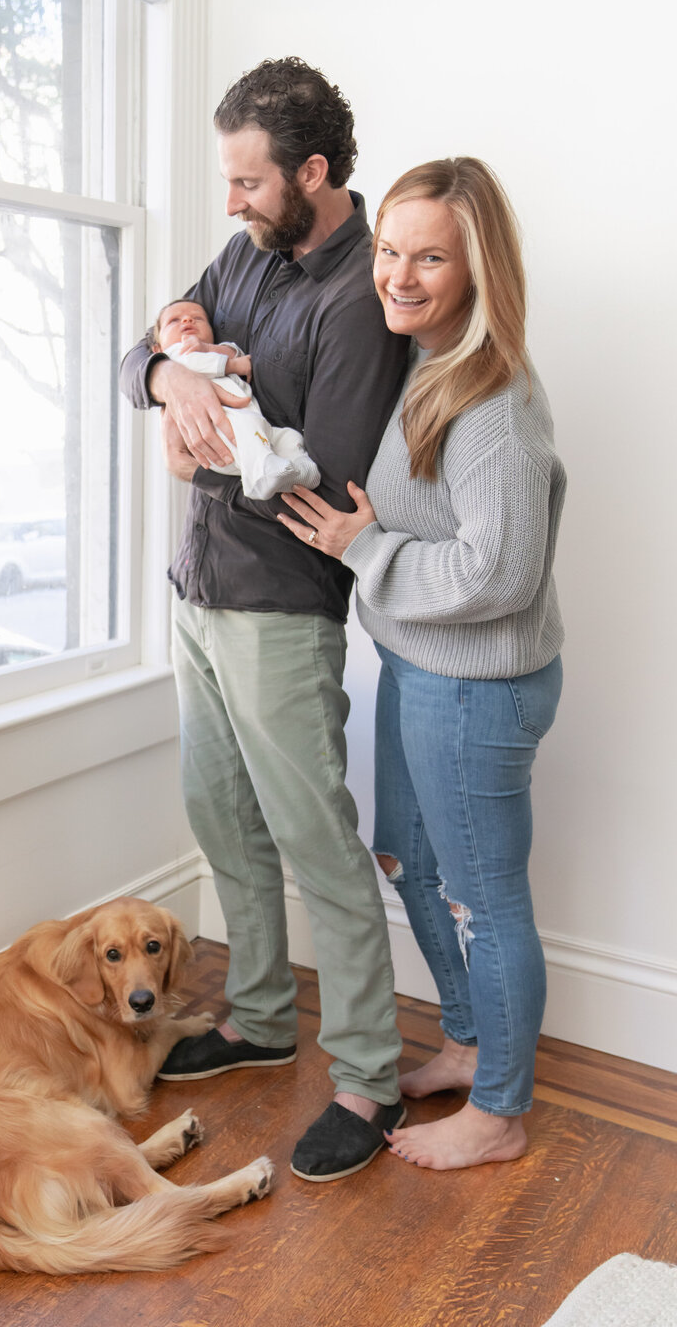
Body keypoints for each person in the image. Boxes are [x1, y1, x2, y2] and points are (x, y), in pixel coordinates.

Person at [120, 58, 410, 1183]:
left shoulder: (360, 298)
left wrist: (212, 398)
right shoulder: (243, 253)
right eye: (229, 181)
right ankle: (257, 1017)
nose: (231, 204)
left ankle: (369, 1078)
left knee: (314, 838)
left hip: (279, 608)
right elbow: (144, 353)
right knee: (218, 811)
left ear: (314, 172)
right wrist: (167, 383)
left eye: (248, 182)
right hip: (194, 590)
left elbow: (319, 481)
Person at [277, 156, 565, 1171]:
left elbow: (505, 571)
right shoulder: (421, 362)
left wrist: (363, 549)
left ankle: (500, 1109)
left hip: (477, 687)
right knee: (408, 856)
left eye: (429, 256)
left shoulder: (490, 403)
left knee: (486, 901)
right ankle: (471, 1041)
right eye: (390, 251)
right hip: (420, 667)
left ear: (477, 267)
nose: (397, 275)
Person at [149, 297, 320, 500]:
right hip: (219, 431)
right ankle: (262, 473)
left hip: (253, 427)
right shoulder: (173, 356)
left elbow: (234, 351)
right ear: (157, 349)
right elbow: (197, 362)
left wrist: (211, 348)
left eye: (198, 318)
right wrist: (233, 366)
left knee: (287, 437)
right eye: (174, 321)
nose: (187, 320)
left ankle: (298, 469)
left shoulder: (211, 350)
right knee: (249, 427)